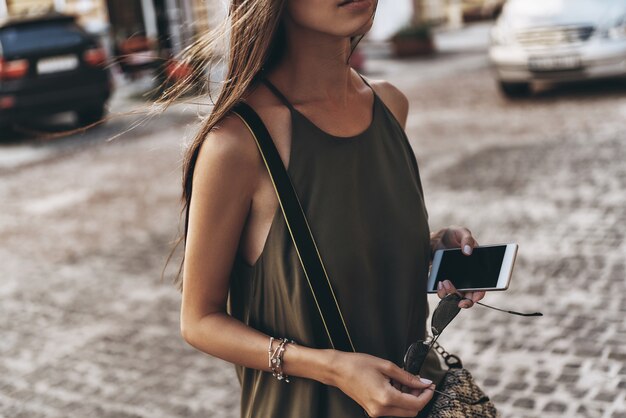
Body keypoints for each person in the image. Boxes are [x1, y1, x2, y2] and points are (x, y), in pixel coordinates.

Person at [177, 1, 485, 417]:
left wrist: (431, 250)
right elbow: (199, 320)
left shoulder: (390, 106)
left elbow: (350, 246)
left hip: (416, 402)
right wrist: (332, 368)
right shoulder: (237, 143)